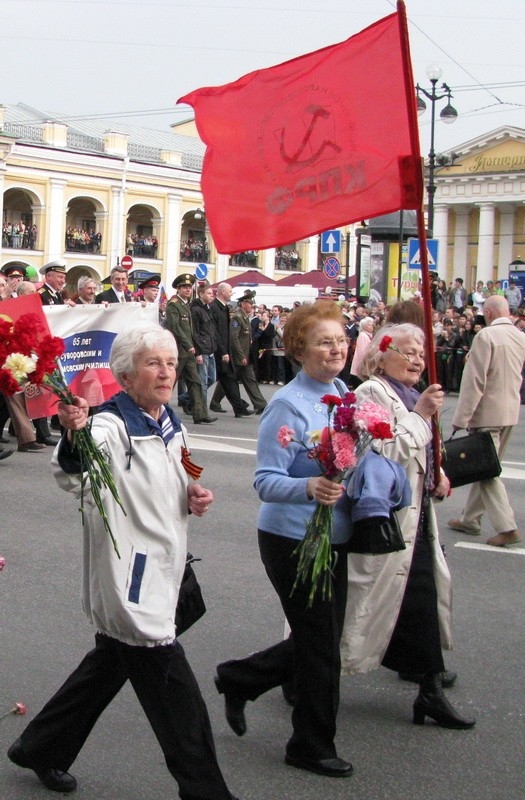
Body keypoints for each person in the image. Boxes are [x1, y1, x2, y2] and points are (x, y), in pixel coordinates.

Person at [7, 322, 240, 800]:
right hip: (131, 583)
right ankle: (206, 792)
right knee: (175, 695)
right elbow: (73, 471)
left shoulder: (164, 417)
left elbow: (183, 461)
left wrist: (192, 489)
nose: (166, 372)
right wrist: (74, 434)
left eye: (171, 362)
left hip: (165, 567)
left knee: (110, 663)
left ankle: (42, 747)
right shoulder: (109, 425)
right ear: (126, 376)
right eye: (153, 363)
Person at [214, 300, 353, 779]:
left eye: (340, 340)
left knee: (323, 638)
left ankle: (240, 678)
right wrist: (309, 486)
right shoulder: (287, 405)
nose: (335, 349)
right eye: (323, 342)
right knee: (320, 647)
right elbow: (265, 481)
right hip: (291, 538)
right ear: (299, 349)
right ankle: (310, 745)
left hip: (334, 536)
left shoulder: (343, 393)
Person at [341, 323, 475, 730]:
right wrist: (420, 417)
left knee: (419, 597)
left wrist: (437, 471)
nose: (418, 360)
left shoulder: (414, 394)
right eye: (408, 352)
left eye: (421, 353)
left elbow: (419, 450)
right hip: (384, 517)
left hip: (416, 515)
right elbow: (380, 450)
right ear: (382, 355)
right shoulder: (370, 393)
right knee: (357, 605)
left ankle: (429, 689)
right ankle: (287, 667)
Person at [448, 295, 525, 546]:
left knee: (488, 471)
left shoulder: (486, 337)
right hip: (510, 411)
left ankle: (507, 526)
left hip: (488, 413)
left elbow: (474, 382)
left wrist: (461, 418)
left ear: (489, 313)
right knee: (486, 465)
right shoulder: (519, 336)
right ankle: (470, 519)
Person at [165, 273, 217, 425]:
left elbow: (190, 330)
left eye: (189, 287)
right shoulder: (174, 304)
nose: (188, 290)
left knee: (196, 382)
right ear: (178, 289)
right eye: (184, 287)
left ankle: (200, 413)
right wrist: (188, 346)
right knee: (169, 383)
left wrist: (195, 348)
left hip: (188, 352)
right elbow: (175, 327)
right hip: (179, 351)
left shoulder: (186, 304)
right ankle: (160, 411)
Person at [208, 283, 253, 418]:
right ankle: (188, 399)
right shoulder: (215, 307)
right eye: (229, 291)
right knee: (209, 379)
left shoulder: (224, 308)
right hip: (217, 350)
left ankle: (239, 408)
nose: (231, 293)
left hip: (224, 350)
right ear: (222, 292)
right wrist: (223, 351)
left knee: (229, 379)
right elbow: (216, 332)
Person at [228, 292, 267, 414]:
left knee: (250, 379)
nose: (252, 306)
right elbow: (234, 338)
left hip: (246, 355)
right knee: (228, 380)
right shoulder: (237, 317)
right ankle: (215, 401)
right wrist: (241, 355)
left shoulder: (244, 317)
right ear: (244, 304)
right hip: (239, 356)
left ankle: (261, 405)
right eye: (250, 304)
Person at [349, 316, 374, 387]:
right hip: (360, 366)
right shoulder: (363, 336)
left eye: (372, 325)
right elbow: (362, 352)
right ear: (364, 326)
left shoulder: (369, 336)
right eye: (369, 325)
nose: (371, 327)